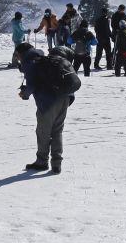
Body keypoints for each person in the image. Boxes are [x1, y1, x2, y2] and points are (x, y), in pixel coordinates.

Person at [15, 42, 79, 174]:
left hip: (49, 101)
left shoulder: (29, 61)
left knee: (43, 132)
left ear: (21, 54)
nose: (17, 58)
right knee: (57, 130)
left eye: (17, 56)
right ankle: (56, 164)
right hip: (65, 96)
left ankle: (42, 161)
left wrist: (24, 94)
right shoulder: (44, 57)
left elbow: (32, 84)